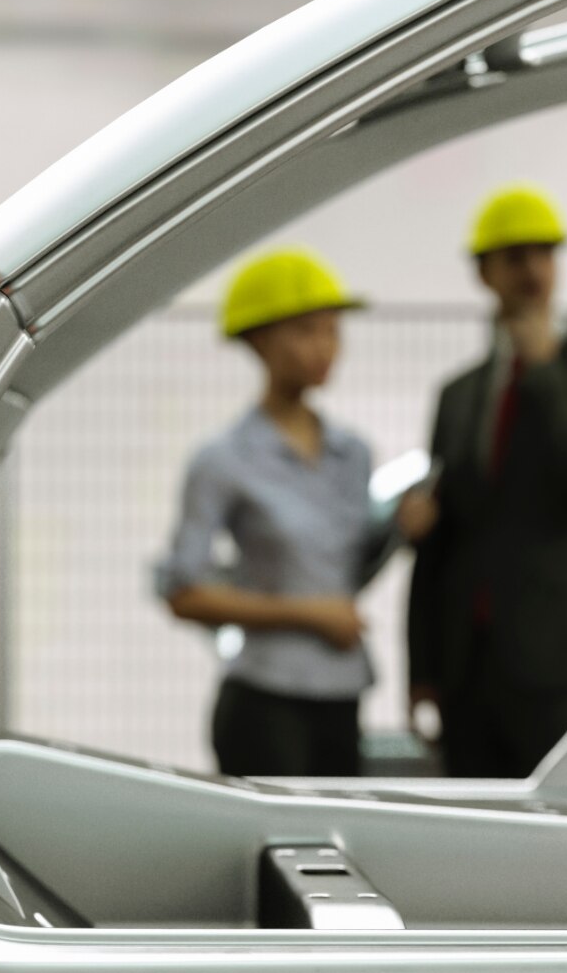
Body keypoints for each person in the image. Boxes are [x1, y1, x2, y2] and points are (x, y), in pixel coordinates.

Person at [403, 186, 567, 779]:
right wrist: (423, 668)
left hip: (561, 662)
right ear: (485, 273)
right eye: (515, 257)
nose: (532, 270)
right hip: (469, 666)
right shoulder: (460, 394)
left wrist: (545, 374)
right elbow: (446, 539)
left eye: (543, 254)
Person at [157, 248, 392, 780]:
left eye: (333, 330)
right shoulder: (223, 460)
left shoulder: (351, 453)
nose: (325, 347)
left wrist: (400, 529)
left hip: (343, 692)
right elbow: (184, 592)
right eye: (307, 330)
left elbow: (344, 567)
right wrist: (309, 615)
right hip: (266, 698)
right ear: (260, 340)